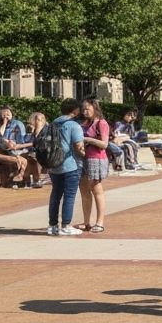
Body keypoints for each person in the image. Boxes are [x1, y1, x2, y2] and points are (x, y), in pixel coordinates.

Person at [47, 98, 85, 235]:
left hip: (53, 164)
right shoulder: (73, 125)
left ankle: (52, 225)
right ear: (75, 110)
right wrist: (86, 155)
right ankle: (66, 225)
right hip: (69, 165)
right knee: (69, 195)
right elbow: (79, 146)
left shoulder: (53, 123)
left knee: (55, 195)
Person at [78, 97, 111, 233]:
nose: (85, 111)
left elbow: (104, 144)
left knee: (96, 189)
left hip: (96, 159)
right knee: (84, 190)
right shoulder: (82, 123)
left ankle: (100, 222)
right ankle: (87, 222)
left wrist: (87, 139)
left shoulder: (101, 123)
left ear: (95, 108)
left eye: (88, 108)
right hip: (82, 158)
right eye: (83, 108)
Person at [0, 105, 41, 186]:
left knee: (34, 158)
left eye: (8, 114)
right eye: (4, 114)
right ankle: (21, 179)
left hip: (18, 150)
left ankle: (35, 180)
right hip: (2, 152)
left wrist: (32, 131)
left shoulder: (17, 124)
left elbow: (23, 140)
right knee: (22, 160)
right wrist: (4, 124)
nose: (6, 116)